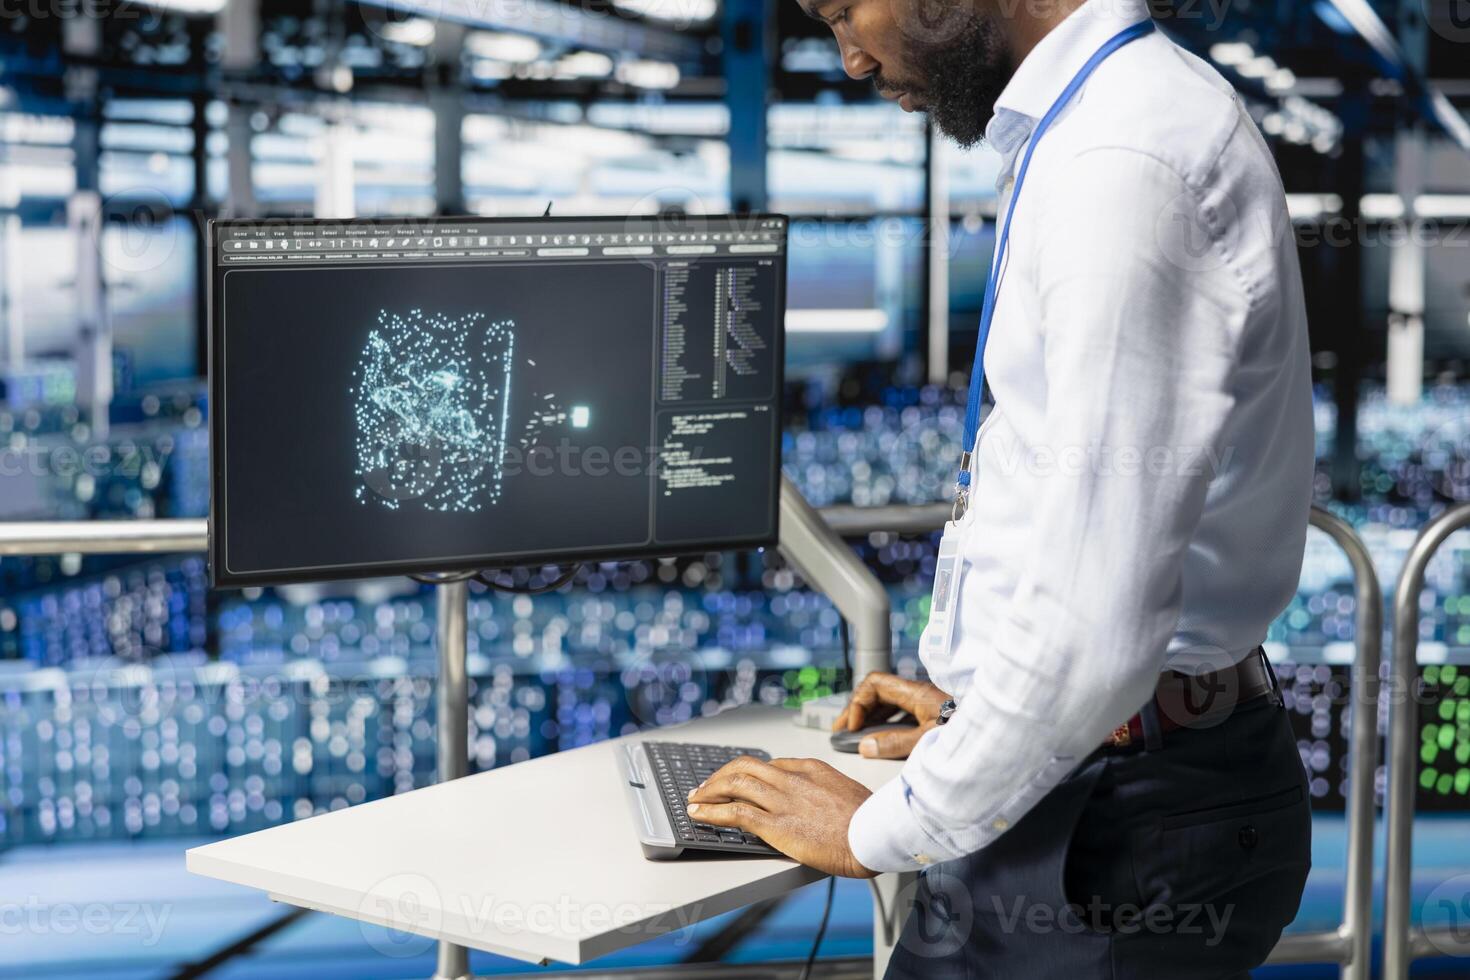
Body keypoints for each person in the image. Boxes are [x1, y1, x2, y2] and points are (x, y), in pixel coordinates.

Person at [684, 0, 1316, 974]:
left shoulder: (1125, 165)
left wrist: (883, 826)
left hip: (1110, 823)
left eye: (845, 11)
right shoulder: (1099, 124)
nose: (849, 58)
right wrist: (978, 699)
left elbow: (1095, 626)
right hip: (1096, 767)